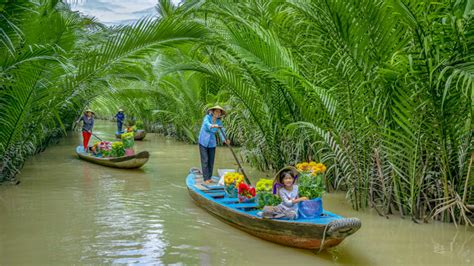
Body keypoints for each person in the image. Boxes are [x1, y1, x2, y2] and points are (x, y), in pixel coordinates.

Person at [198, 105, 230, 185]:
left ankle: (209, 177)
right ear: (212, 112)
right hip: (203, 141)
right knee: (205, 160)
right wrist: (212, 125)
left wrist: (225, 140)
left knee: (211, 161)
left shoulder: (219, 122)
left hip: (212, 142)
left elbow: (221, 131)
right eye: (216, 111)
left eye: (219, 112)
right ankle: (206, 178)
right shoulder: (207, 118)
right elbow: (206, 124)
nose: (218, 113)